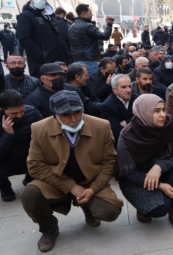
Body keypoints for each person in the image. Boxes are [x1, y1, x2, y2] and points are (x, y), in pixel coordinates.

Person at [20, 90, 123, 252]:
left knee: (110, 211)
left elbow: (109, 162)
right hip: (56, 181)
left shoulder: (101, 126)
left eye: (77, 112)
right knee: (29, 195)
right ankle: (49, 229)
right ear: (55, 115)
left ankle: (88, 208)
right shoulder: (39, 129)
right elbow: (35, 165)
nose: (74, 119)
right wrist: (70, 186)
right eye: (66, 115)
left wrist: (93, 189)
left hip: (90, 180)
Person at [116, 94, 173, 230]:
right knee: (160, 208)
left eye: (163, 109)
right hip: (137, 179)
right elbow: (128, 173)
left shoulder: (169, 124)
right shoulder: (128, 135)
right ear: (143, 112)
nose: (162, 115)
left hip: (163, 169)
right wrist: (160, 186)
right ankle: (142, 207)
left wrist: (159, 166)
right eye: (156, 111)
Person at [0, 90, 42, 201]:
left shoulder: (32, 112)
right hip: (6, 161)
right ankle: (5, 187)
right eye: (13, 114)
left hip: (29, 157)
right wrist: (8, 135)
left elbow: (45, 135)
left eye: (22, 111)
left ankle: (30, 177)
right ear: (1, 109)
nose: (19, 115)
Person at [17, 0, 69, 77]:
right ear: (31, 0)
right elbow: (24, 38)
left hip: (58, 61)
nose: (39, 0)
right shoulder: (26, 16)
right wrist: (40, 56)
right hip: (41, 63)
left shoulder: (50, 16)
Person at [25, 63, 90, 118]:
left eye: (61, 75)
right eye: (53, 75)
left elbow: (87, 105)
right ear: (42, 79)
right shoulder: (34, 99)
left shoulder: (71, 89)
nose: (58, 78)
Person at [68, 4, 114, 74]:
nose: (92, 14)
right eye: (90, 12)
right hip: (89, 61)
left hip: (76, 60)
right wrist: (109, 24)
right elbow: (105, 36)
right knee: (92, 81)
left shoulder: (71, 28)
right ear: (84, 14)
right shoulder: (88, 26)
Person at [100, 74, 139, 145]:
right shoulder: (107, 106)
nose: (128, 90)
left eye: (130, 86)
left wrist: (127, 122)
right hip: (122, 144)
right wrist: (136, 123)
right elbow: (118, 132)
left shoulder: (138, 99)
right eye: (124, 87)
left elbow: (146, 120)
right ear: (114, 90)